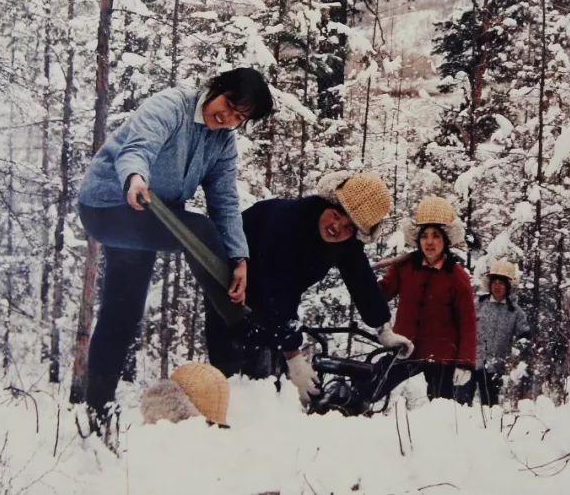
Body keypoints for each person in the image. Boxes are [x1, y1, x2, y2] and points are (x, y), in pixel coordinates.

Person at [76, 67, 273, 428]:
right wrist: (135, 177)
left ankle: (96, 408)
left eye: (239, 118)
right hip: (107, 204)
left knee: (123, 310)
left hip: (150, 214)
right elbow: (138, 147)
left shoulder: (223, 143)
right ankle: (241, 327)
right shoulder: (171, 106)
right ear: (215, 88)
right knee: (201, 230)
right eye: (228, 106)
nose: (228, 119)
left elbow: (225, 201)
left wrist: (239, 257)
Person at [204, 171, 414, 404]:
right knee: (237, 381)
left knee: (271, 379)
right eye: (335, 215)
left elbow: (361, 279)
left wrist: (383, 329)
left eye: (348, 227)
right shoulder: (287, 221)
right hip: (230, 288)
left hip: (272, 305)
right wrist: (294, 356)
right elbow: (278, 287)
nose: (337, 227)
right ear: (327, 204)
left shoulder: (345, 242)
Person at [367, 196, 477, 404]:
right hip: (405, 348)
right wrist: (365, 281)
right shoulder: (403, 268)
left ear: (445, 241)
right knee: (370, 385)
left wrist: (465, 363)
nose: (429, 242)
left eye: (436, 236)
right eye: (424, 236)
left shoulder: (457, 277)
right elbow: (382, 294)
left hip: (442, 355)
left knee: (440, 406)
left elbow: (467, 324)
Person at [462, 258, 528, 407]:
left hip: (495, 367)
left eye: (501, 283)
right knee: (463, 404)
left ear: (508, 286)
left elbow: (524, 336)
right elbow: (464, 327)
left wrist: (516, 356)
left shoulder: (515, 311)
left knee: (490, 408)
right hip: (471, 363)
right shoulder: (478, 304)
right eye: (494, 282)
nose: (497, 286)